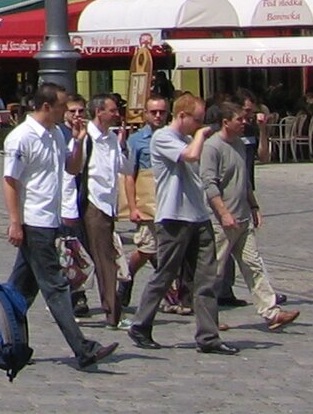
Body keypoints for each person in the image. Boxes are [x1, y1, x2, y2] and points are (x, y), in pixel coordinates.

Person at [2, 84, 115, 370]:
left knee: (21, 290)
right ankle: (83, 348)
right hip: (33, 221)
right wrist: (15, 222)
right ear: (46, 106)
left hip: (50, 220)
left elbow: (72, 168)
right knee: (55, 286)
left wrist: (77, 141)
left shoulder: (55, 134)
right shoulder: (21, 138)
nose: (68, 111)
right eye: (63, 106)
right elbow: (10, 182)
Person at [127, 92, 227, 353]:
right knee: (165, 273)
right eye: (196, 119)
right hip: (173, 217)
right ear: (181, 116)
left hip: (198, 215)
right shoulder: (163, 137)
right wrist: (202, 135)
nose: (199, 125)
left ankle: (209, 337)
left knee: (206, 278)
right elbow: (190, 157)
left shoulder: (186, 138)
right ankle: (141, 324)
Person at [199, 101, 298, 340]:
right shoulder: (212, 147)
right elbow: (209, 184)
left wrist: (253, 205)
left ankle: (271, 313)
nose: (244, 123)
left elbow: (245, 180)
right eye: (239, 120)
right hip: (220, 222)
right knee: (214, 273)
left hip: (242, 218)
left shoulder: (240, 145)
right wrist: (223, 213)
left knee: (253, 265)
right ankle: (208, 319)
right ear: (226, 122)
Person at [77, 92, 129, 327]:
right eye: (112, 110)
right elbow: (74, 172)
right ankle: (113, 313)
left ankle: (71, 299)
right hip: (92, 204)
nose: (116, 113)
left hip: (108, 204)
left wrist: (123, 145)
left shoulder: (111, 138)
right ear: (99, 112)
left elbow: (122, 168)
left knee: (102, 258)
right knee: (105, 259)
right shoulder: (86, 137)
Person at [121, 92, 169, 304]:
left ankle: (175, 295)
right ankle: (127, 276)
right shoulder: (137, 140)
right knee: (147, 249)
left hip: (169, 201)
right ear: (145, 115)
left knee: (169, 249)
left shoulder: (172, 135)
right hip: (149, 203)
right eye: (154, 112)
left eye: (162, 112)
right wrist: (133, 207)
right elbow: (130, 176)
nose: (158, 116)